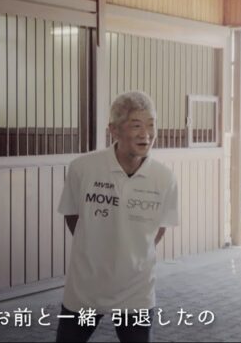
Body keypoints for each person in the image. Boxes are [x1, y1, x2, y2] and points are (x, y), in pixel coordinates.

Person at [55, 91, 179, 342]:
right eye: (136, 125)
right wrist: (96, 245)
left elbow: (158, 228)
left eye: (151, 124)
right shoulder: (83, 168)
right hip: (85, 287)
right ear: (113, 130)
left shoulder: (165, 177)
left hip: (137, 289)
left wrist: (130, 252)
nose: (146, 133)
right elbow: (73, 217)